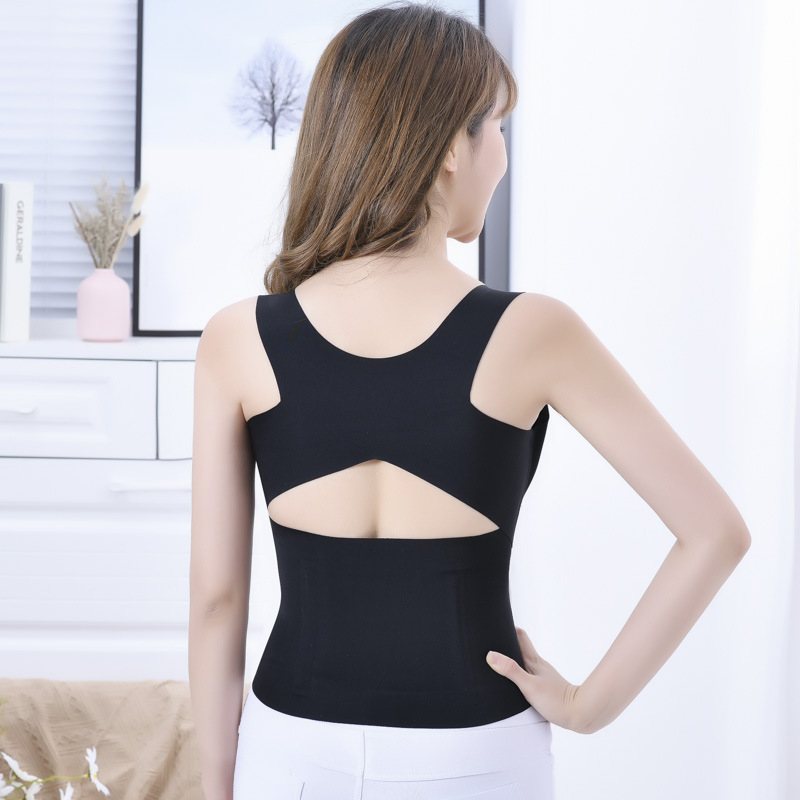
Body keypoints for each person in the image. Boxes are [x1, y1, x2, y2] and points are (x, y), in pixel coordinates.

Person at [188, 2, 752, 798]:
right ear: (456, 146)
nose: (503, 156)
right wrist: (586, 706)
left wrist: (221, 785)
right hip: (479, 755)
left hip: (291, 751)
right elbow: (715, 531)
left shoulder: (236, 337)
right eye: (499, 129)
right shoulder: (535, 332)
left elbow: (218, 602)